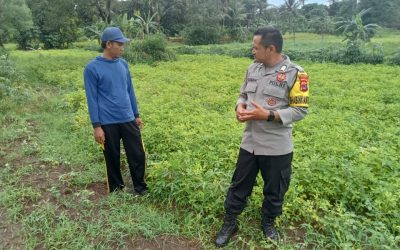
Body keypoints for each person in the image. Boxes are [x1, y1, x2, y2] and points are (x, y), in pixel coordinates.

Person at [215, 27, 309, 247]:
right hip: (250, 142)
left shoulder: (296, 73)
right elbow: (243, 94)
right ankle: (230, 221)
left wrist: (267, 115)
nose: (252, 51)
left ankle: (268, 222)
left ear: (271, 48)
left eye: (256, 48)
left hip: (277, 147)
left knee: (275, 189)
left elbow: (300, 111)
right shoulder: (253, 68)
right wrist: (239, 108)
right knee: (238, 186)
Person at [83, 27, 148, 195]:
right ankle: (117, 190)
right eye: (119, 44)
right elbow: (92, 99)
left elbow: (130, 90)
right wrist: (97, 126)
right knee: (112, 158)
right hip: (107, 122)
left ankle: (140, 188)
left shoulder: (123, 64)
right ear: (108, 44)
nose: (122, 47)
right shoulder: (92, 68)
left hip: (127, 117)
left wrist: (136, 114)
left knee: (137, 154)